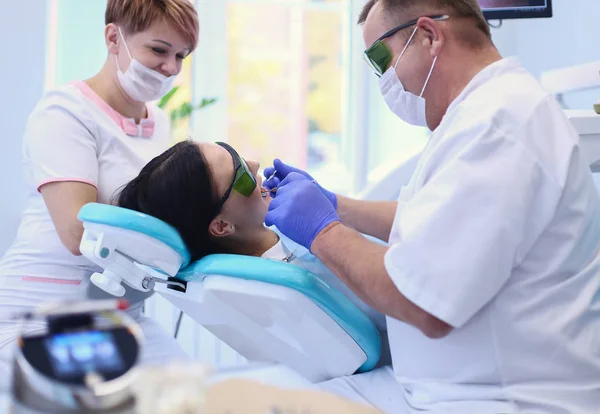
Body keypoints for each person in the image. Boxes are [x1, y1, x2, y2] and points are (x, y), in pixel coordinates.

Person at [262, 0, 600, 413]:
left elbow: (422, 302)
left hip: (502, 400)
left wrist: (323, 231)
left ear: (428, 36)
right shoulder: (480, 113)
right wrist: (336, 205)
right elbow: (428, 223)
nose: (383, 80)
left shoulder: (498, 125)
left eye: (379, 60)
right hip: (449, 389)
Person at [0, 0, 199, 387]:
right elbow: (79, 233)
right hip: (39, 313)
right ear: (114, 37)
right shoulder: (65, 111)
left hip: (117, 314)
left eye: (181, 55)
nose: (171, 68)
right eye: (159, 50)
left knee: (192, 392)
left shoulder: (157, 123)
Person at [114, 139, 388, 333]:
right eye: (241, 173)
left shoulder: (287, 240)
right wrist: (327, 232)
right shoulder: (294, 276)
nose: (255, 164)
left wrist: (333, 206)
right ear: (221, 226)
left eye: (234, 152)